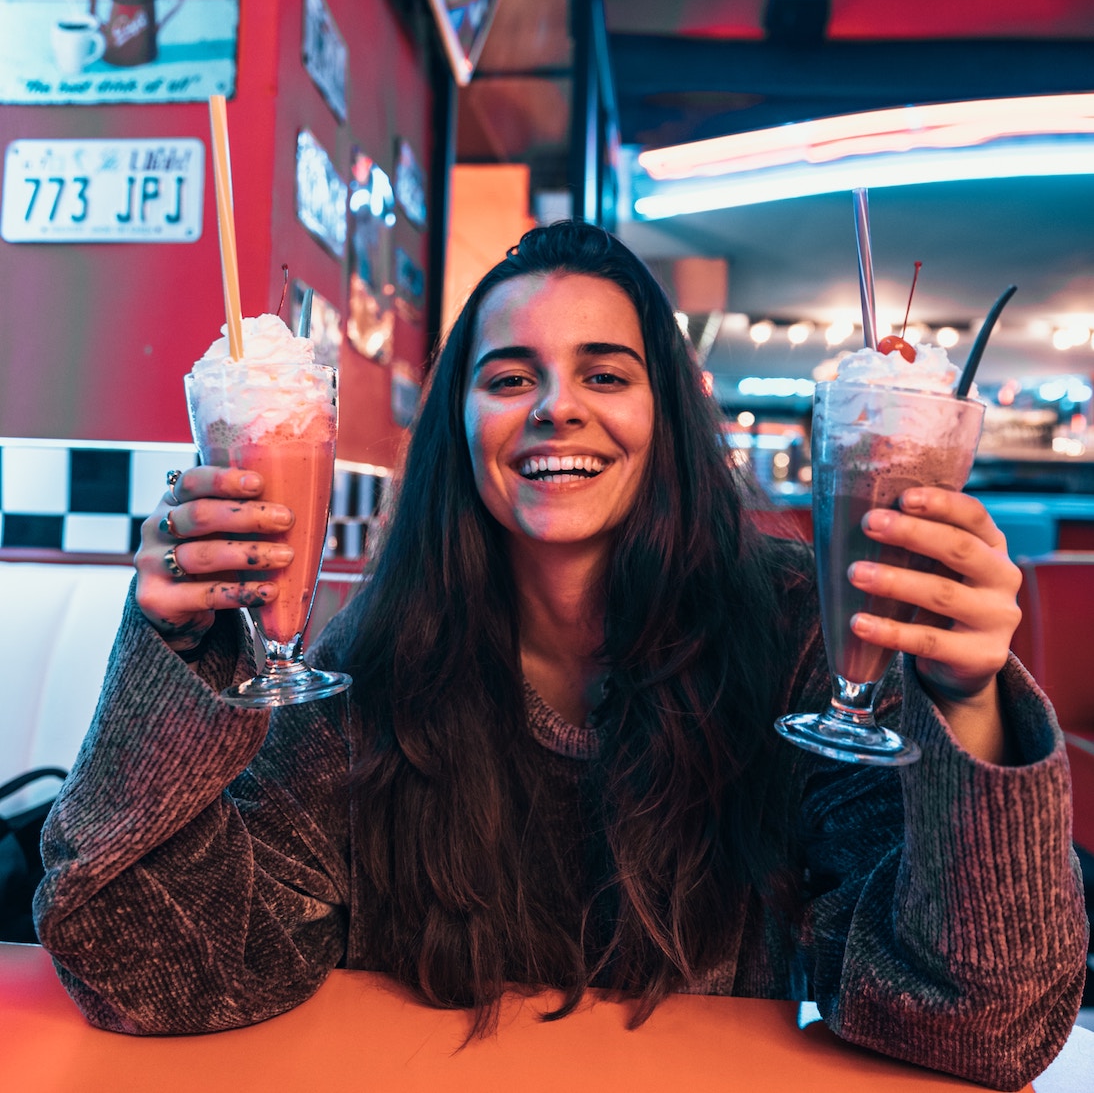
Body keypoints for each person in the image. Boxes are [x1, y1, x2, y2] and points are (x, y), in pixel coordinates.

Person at [34, 221, 1086, 1090]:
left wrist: (969, 701)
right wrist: (170, 651)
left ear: (663, 416)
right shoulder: (368, 658)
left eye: (603, 372)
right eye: (508, 375)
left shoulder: (793, 637)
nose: (555, 406)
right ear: (457, 422)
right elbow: (155, 973)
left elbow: (981, 1023)